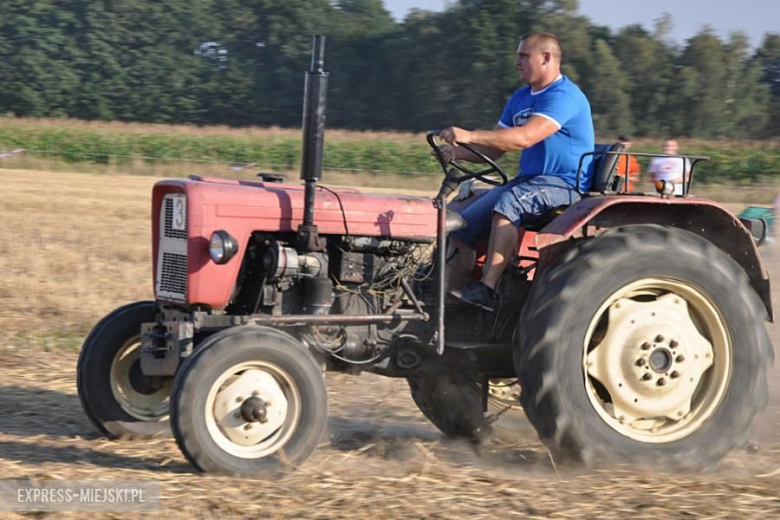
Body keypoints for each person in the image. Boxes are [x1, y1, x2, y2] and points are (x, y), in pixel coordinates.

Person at [438, 32, 595, 310]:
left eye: (523, 56)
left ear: (546, 58)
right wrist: (456, 152)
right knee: (460, 223)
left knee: (508, 204)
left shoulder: (565, 96)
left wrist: (469, 136)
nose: (517, 62)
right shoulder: (521, 98)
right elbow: (496, 149)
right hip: (528, 181)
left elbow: (524, 138)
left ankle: (487, 289)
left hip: (564, 184)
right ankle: (445, 302)